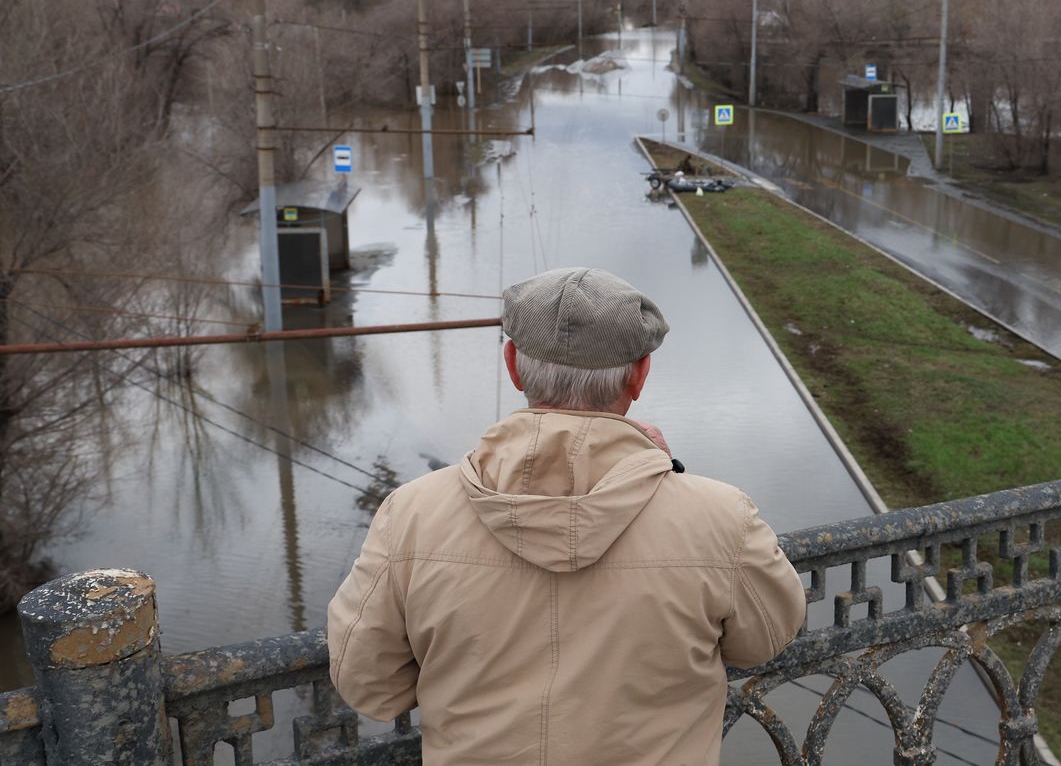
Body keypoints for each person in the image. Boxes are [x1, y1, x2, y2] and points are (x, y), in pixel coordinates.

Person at [327, 267, 807, 766]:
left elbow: (370, 686)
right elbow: (765, 640)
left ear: (512, 365)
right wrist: (674, 482)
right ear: (640, 375)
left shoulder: (411, 513)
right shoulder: (720, 517)